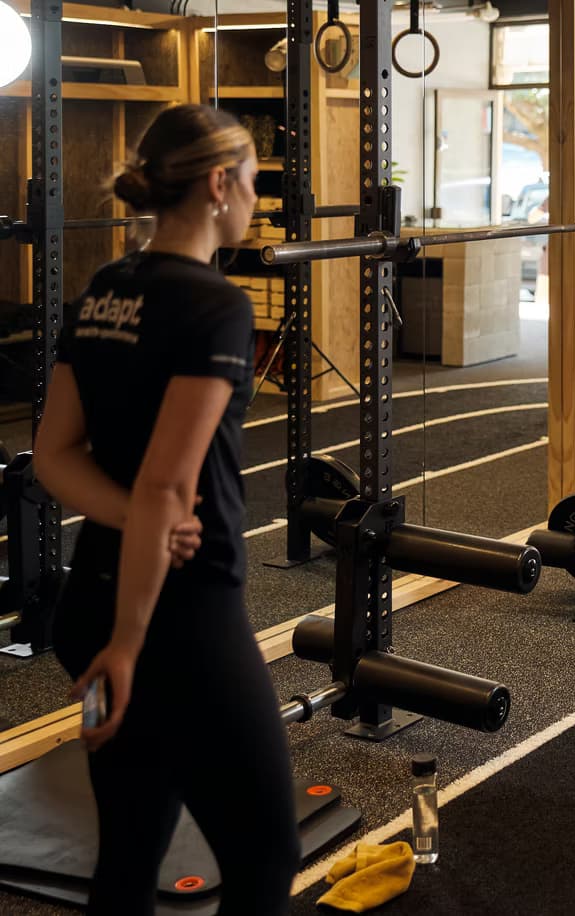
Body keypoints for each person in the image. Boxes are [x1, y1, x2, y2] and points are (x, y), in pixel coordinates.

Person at [33, 104, 300, 914]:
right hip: (177, 614)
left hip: (93, 594)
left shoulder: (104, 290)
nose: (256, 197)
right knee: (264, 853)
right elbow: (164, 490)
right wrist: (128, 643)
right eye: (253, 181)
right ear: (219, 185)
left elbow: (53, 458)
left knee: (132, 845)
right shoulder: (214, 305)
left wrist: (126, 527)